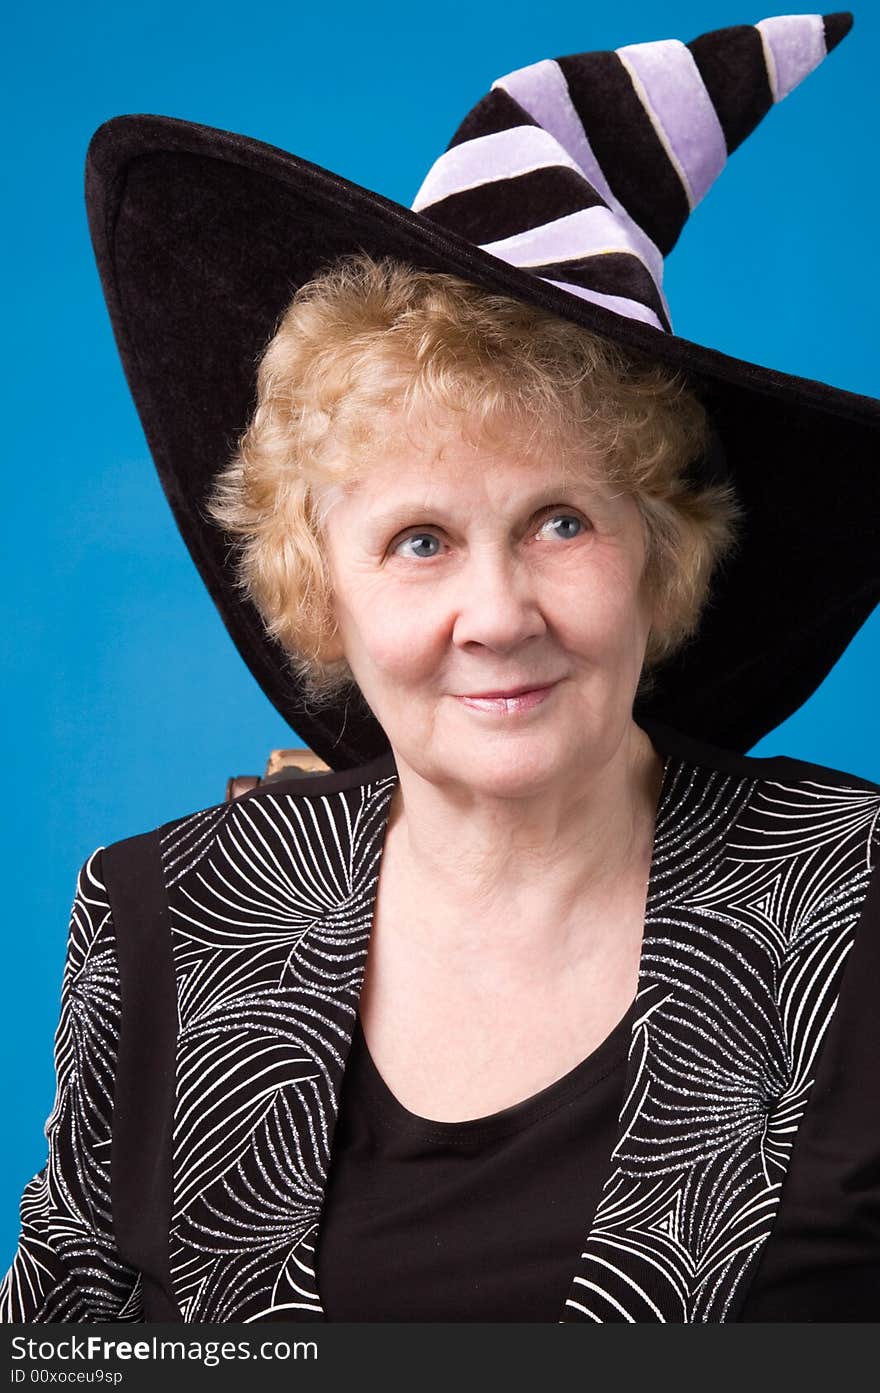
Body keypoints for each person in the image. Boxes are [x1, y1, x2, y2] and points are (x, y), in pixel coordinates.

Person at [2, 12, 879, 1324]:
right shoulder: (164, 916)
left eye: (561, 522)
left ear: (660, 549)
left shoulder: (857, 903)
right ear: (321, 586)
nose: (497, 610)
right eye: (420, 539)